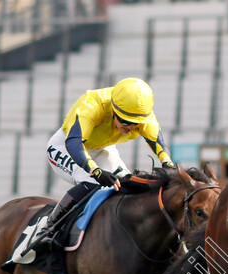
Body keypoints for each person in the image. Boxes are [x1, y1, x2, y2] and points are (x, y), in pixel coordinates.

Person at [31, 77, 175, 250]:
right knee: (92, 182)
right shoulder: (92, 104)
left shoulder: (141, 114)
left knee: (128, 184)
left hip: (101, 148)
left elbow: (158, 142)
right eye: (125, 121)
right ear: (113, 110)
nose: (130, 127)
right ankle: (49, 228)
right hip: (67, 146)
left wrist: (168, 163)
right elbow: (74, 143)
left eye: (136, 124)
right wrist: (96, 171)